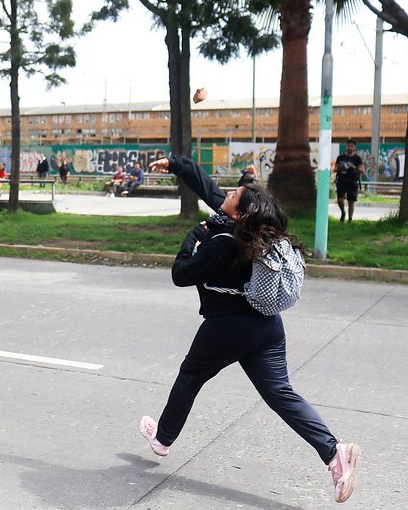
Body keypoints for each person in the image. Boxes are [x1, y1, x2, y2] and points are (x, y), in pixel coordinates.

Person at [141, 155, 361, 504]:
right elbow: (210, 190)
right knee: (280, 393)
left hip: (228, 327)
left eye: (232, 195)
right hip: (267, 328)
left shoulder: (223, 240)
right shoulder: (256, 230)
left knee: (191, 375)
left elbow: (180, 275)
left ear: (239, 213)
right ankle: (335, 452)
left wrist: (194, 234)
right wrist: (177, 165)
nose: (225, 193)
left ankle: (163, 438)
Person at [334, 139, 366, 223]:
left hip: (352, 181)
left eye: (352, 146)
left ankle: (350, 219)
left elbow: (362, 170)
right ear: (346, 146)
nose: (350, 147)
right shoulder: (340, 157)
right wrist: (340, 167)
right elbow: (335, 168)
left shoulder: (357, 158)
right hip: (341, 180)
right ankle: (343, 212)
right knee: (340, 200)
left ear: (354, 147)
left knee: (351, 202)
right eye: (348, 146)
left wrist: (353, 166)